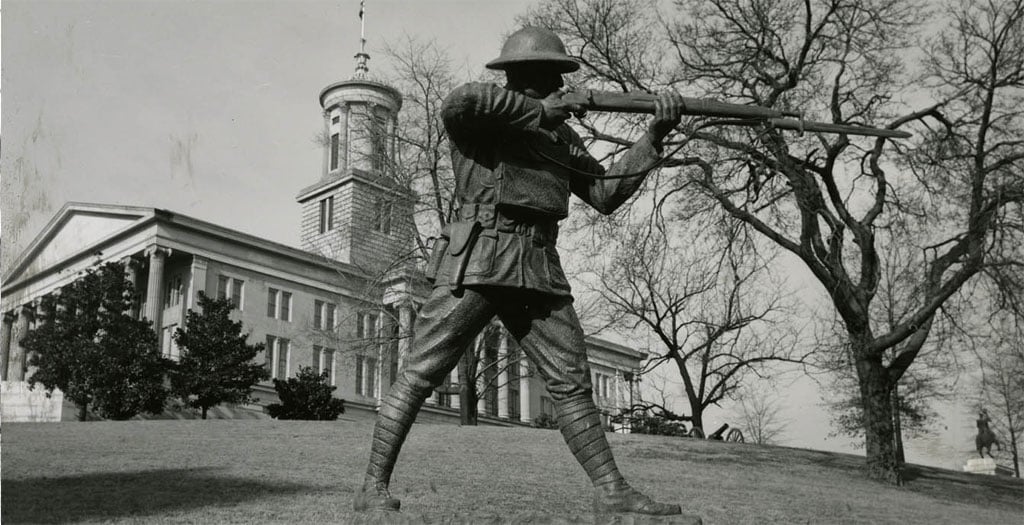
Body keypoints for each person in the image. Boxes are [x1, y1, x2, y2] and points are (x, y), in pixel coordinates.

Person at [354, 26, 694, 519]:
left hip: (538, 268)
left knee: (572, 384)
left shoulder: (561, 136)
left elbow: (604, 194)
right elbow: (460, 100)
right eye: (547, 74)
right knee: (420, 372)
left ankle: (612, 492)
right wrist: (539, 111)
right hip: (478, 259)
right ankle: (371, 486)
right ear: (520, 76)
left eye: (558, 76)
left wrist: (653, 136)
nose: (557, 83)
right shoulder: (482, 119)